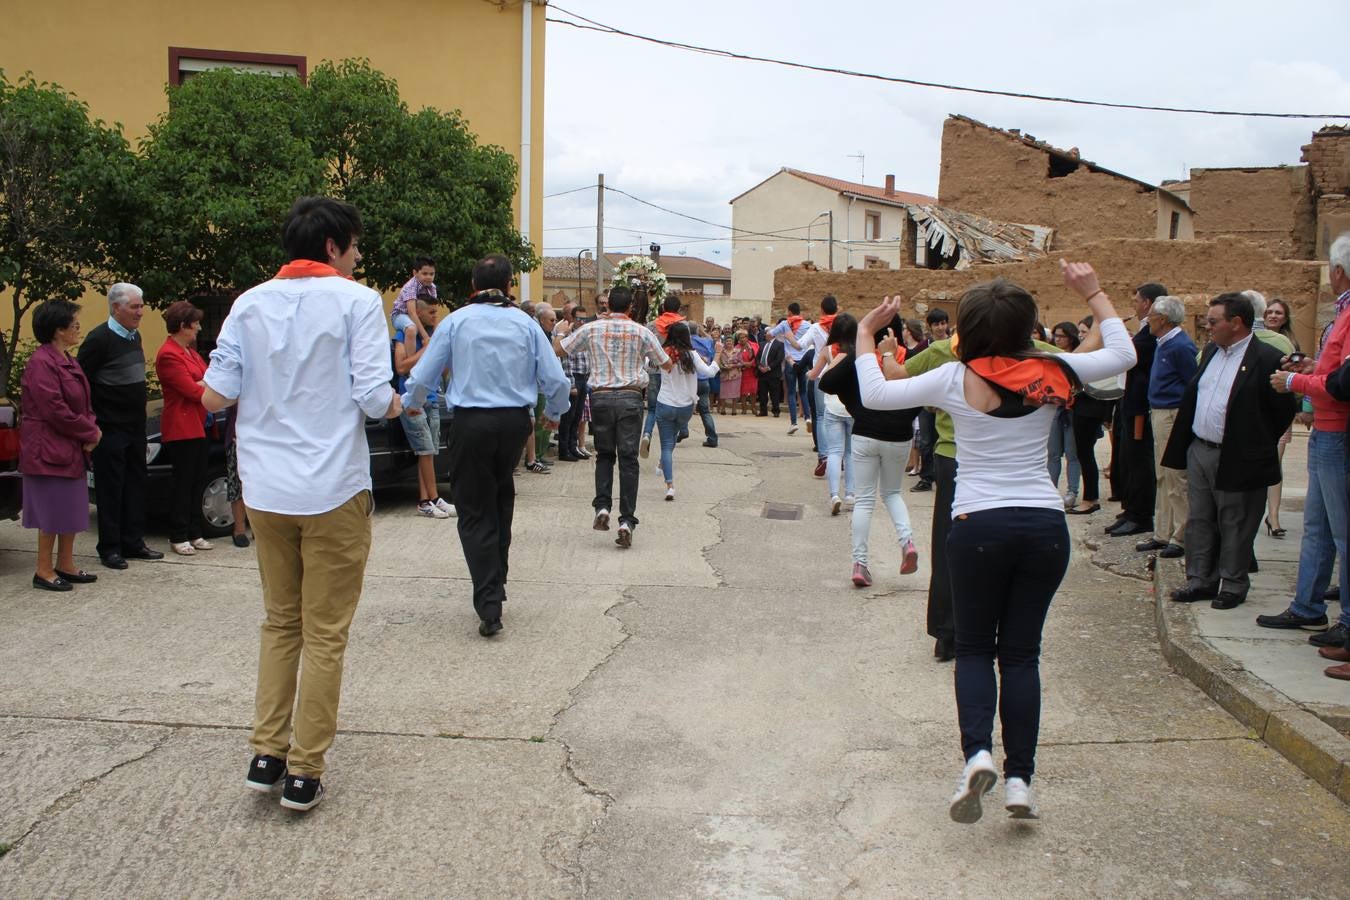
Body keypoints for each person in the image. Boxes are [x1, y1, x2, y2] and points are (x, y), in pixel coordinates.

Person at [855, 261, 1135, 824]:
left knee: (977, 648)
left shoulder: (954, 378)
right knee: (1023, 654)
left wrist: (865, 334)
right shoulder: (1054, 369)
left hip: (978, 524)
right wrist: (1095, 292)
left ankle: (977, 753)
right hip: (1042, 526)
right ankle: (1019, 783)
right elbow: (1123, 355)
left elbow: (877, 393)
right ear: (1027, 325)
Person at [202, 196, 404, 812]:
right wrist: (401, 403)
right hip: (332, 489)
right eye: (356, 246)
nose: (359, 256)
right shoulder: (356, 301)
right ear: (333, 247)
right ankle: (305, 769)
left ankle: (267, 754)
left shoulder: (248, 303)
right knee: (325, 633)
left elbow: (214, 396)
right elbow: (373, 398)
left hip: (266, 491)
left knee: (279, 622)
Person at [403, 254, 569, 637]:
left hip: (472, 423)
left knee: (475, 509)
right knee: (500, 497)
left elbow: (425, 372)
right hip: (513, 424)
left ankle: (489, 600)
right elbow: (555, 378)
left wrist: (412, 403)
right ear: (510, 285)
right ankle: (498, 580)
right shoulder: (525, 324)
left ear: (472, 285)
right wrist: (555, 413)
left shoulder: (456, 321)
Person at [1162, 293, 1296, 611]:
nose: (1207, 327)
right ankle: (1200, 579)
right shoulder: (1210, 352)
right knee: (1201, 519)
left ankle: (1233, 583)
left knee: (1235, 521)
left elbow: (1281, 410)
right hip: (1201, 450)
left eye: (1213, 321)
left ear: (1236, 323)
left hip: (1238, 455)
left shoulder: (1266, 358)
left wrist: (1255, 444)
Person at [1257, 232, 1350, 646]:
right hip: (1328, 430)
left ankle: (1346, 622)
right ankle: (1308, 607)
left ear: (1337, 271)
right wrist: (1313, 368)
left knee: (1342, 532)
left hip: (1339, 431)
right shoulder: (1342, 313)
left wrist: (1296, 379)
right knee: (1318, 526)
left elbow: (1344, 382)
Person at [553, 285, 669, 549]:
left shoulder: (591, 329)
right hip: (630, 397)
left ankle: (602, 507)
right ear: (630, 307)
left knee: (605, 455)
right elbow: (665, 362)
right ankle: (626, 521)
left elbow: (561, 350)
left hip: (601, 397)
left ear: (607, 306)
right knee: (628, 460)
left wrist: (560, 331)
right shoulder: (641, 331)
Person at [818, 313, 919, 586]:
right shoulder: (909, 358)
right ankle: (906, 541)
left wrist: (855, 403)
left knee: (864, 500)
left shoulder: (861, 360)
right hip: (899, 435)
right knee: (893, 493)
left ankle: (860, 563)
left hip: (865, 431)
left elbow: (826, 382)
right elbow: (923, 394)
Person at [77, 282, 164, 570]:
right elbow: (81, 384)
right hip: (109, 427)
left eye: (141, 306)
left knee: (135, 485)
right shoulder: (98, 339)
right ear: (117, 308)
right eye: (135, 307)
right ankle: (110, 548)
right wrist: (92, 422)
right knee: (111, 489)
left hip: (134, 427)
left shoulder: (133, 336)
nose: (141, 311)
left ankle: (133, 542)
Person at [20, 300, 102, 591]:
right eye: (75, 325)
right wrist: (89, 431)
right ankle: (43, 570)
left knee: (71, 509)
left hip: (70, 446)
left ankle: (65, 563)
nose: (78, 329)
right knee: (52, 512)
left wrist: (89, 429)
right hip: (48, 450)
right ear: (58, 330)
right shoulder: (41, 363)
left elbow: (83, 402)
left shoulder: (67, 358)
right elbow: (53, 408)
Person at [1134, 297, 1196, 559]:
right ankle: (1163, 531)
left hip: (1172, 413)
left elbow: (1191, 383)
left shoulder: (1181, 347)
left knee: (1175, 477)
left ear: (1165, 319)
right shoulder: (1163, 343)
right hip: (1158, 411)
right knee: (1162, 475)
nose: (1148, 319)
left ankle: (1181, 536)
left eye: (1153, 315)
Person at [1105, 282, 1169, 537]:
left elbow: (1129, 355)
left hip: (1141, 404)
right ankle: (1131, 508)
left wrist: (1116, 333)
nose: (1134, 306)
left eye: (1137, 301)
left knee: (1139, 460)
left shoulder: (1152, 335)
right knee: (1126, 458)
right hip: (1128, 399)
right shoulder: (1144, 331)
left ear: (1148, 304)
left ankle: (1141, 514)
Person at [154, 300, 214, 555]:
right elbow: (190, 389)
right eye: (195, 324)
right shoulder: (169, 354)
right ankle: (178, 534)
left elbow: (210, 376)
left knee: (198, 481)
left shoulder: (190, 351)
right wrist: (202, 383)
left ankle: (195, 531)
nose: (199, 328)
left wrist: (202, 382)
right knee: (183, 483)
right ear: (182, 326)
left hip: (198, 424)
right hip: (181, 426)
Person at [394, 295, 453, 517]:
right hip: (411, 401)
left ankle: (427, 499)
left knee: (429, 452)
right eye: (431, 313)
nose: (435, 316)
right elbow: (401, 367)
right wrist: (426, 349)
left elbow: (443, 370)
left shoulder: (433, 336)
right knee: (426, 449)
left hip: (432, 400)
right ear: (418, 313)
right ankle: (430, 499)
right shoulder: (403, 335)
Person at [653, 322, 719, 500]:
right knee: (673, 437)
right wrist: (717, 354)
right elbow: (709, 372)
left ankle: (670, 485)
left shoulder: (664, 353)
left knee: (667, 444)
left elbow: (647, 366)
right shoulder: (692, 354)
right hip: (686, 407)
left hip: (665, 403)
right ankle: (661, 464)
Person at [1067, 314, 1117, 515]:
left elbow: (1109, 387)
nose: (1080, 336)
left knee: (1085, 454)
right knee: (1083, 453)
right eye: (1079, 332)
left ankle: (1090, 499)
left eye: (1084, 332)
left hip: (1090, 409)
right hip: (1082, 408)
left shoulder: (1100, 355)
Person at [1262, 298, 1299, 537]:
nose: (1274, 316)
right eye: (1270, 312)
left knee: (1274, 463)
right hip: (1257, 408)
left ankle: (1273, 517)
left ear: (1285, 318)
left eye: (1279, 313)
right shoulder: (1251, 339)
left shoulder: (1290, 344)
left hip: (1279, 410)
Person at [814, 316, 858, 515]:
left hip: (833, 406)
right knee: (850, 453)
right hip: (853, 408)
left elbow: (816, 375)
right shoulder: (859, 352)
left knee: (834, 452)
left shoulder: (829, 350)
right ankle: (850, 494)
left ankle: (834, 495)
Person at [639, 297, 685, 459]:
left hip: (653, 370)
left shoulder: (652, 325)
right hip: (672, 371)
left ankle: (646, 434)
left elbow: (645, 347)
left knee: (652, 409)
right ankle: (668, 448)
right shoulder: (682, 325)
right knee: (674, 407)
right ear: (678, 308)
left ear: (664, 307)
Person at [912, 308, 951, 493]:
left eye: (943, 323)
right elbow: (914, 368)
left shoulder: (954, 345)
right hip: (927, 400)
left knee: (945, 440)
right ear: (930, 326)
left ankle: (944, 477)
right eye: (936, 324)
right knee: (926, 441)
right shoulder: (923, 347)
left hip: (948, 400)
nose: (940, 327)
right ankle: (926, 478)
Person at [1046, 322, 1081, 509]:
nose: (1058, 339)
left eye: (1062, 336)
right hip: (1055, 408)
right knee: (1053, 453)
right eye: (1056, 336)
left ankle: (1072, 491)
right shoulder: (1052, 357)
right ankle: (1050, 490)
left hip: (1071, 410)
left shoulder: (1078, 357)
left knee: (1071, 453)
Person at [769, 302, 813, 435]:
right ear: (799, 312)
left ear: (789, 312)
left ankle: (793, 423)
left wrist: (781, 334)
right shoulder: (807, 325)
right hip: (803, 360)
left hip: (790, 360)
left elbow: (769, 334)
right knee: (803, 392)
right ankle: (808, 418)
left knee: (792, 393)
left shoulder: (784, 324)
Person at [557, 303, 592, 461]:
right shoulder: (568, 334)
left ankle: (574, 446)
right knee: (568, 416)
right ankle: (564, 450)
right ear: (572, 318)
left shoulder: (584, 333)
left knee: (578, 416)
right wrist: (571, 384)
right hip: (573, 376)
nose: (582, 322)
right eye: (579, 319)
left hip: (584, 376)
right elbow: (566, 361)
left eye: (584, 319)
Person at [392, 255, 437, 346]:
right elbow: (412, 312)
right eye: (424, 274)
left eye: (431, 274)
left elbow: (433, 310)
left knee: (438, 329)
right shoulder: (411, 286)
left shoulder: (432, 287)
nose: (429, 277)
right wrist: (425, 337)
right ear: (415, 273)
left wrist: (436, 334)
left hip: (417, 315)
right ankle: (410, 357)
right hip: (401, 315)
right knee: (411, 329)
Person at [687, 323, 719, 447]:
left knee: (686, 406)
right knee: (705, 411)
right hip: (704, 379)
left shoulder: (687, 342)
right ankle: (712, 437)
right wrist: (703, 332)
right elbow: (711, 343)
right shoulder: (706, 341)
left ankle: (683, 429)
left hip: (691, 379)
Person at [755, 328, 785, 418]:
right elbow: (757, 357)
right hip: (762, 373)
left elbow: (779, 358)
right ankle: (763, 411)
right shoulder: (762, 344)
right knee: (762, 393)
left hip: (773, 373)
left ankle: (776, 411)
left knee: (774, 393)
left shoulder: (779, 344)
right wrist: (759, 366)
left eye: (766, 333)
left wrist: (768, 367)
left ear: (772, 334)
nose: (765, 335)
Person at [716, 333, 742, 414]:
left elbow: (741, 363)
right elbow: (718, 362)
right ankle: (723, 408)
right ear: (724, 343)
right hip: (724, 374)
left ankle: (734, 409)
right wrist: (723, 367)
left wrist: (733, 365)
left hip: (735, 375)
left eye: (730, 341)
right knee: (723, 392)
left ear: (733, 342)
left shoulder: (737, 351)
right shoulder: (721, 352)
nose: (729, 343)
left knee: (735, 392)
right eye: (727, 341)